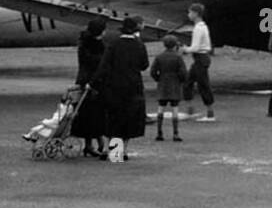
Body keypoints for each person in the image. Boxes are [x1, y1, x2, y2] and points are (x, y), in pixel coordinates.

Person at [92, 17, 149, 160]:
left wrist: (93, 82)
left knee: (113, 117)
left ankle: (107, 148)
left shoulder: (114, 44)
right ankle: (120, 151)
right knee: (129, 118)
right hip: (133, 85)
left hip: (114, 84)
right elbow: (144, 65)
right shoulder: (139, 45)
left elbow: (104, 66)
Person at [72, 20, 109, 157]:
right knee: (94, 113)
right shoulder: (96, 46)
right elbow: (97, 63)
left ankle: (91, 143)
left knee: (89, 113)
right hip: (93, 81)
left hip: (85, 79)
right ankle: (94, 142)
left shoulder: (85, 44)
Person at [151, 35, 189, 141]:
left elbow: (153, 71)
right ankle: (175, 133)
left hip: (163, 83)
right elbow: (183, 72)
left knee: (161, 108)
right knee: (175, 109)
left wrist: (158, 79)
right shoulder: (178, 57)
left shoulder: (159, 57)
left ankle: (159, 132)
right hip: (174, 84)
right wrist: (181, 80)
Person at [182, 3, 216, 122]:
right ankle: (190, 110)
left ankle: (210, 114)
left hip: (200, 57)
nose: (188, 15)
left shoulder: (198, 28)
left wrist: (185, 49)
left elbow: (195, 47)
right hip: (201, 58)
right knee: (188, 82)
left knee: (203, 85)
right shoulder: (203, 26)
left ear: (196, 14)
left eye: (190, 12)